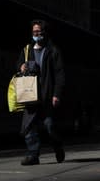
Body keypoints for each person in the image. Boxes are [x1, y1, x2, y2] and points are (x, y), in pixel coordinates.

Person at [16, 19, 66, 165]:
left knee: (49, 126)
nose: (36, 34)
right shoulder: (27, 50)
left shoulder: (53, 51)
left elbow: (59, 74)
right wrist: (21, 67)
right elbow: (18, 64)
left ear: (44, 32)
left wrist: (56, 94)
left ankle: (57, 145)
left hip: (46, 95)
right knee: (29, 126)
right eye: (34, 32)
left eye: (38, 31)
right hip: (30, 94)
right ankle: (33, 155)